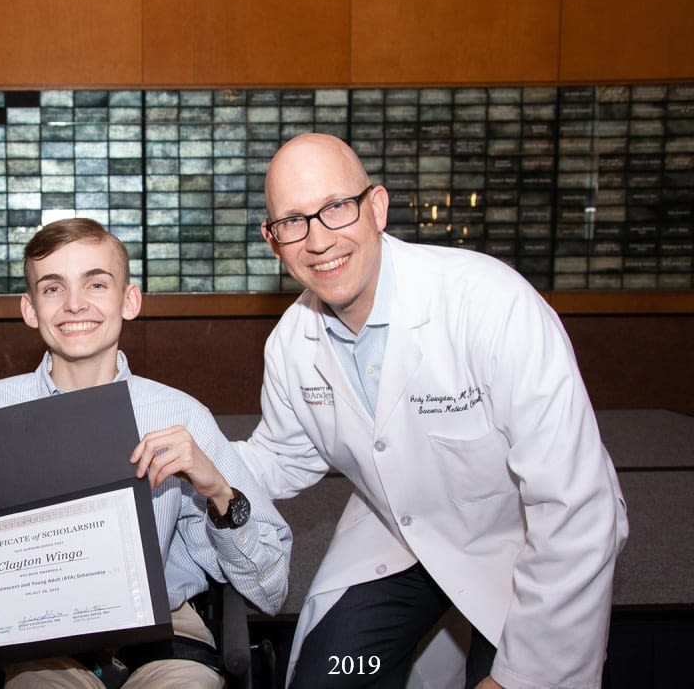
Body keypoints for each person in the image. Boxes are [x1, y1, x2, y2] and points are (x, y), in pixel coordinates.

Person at [236, 133, 629, 689]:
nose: (318, 240)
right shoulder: (290, 344)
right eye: (292, 221)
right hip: (401, 537)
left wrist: (520, 680)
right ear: (272, 240)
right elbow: (282, 455)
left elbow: (575, 507)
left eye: (335, 208)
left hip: (522, 544)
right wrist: (196, 461)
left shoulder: (491, 304)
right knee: (332, 678)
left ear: (377, 207)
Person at [0, 218, 293, 688]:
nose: (75, 303)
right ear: (30, 309)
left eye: (96, 283)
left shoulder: (177, 416)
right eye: (53, 289)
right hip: (33, 639)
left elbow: (270, 589)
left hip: (163, 630)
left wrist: (218, 491)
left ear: (129, 300)